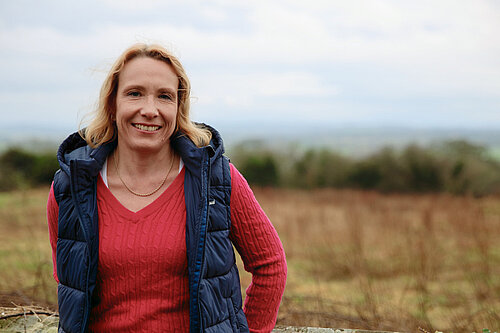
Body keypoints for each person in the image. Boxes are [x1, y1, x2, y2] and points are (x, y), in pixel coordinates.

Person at [46, 43, 287, 333]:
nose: (150, 110)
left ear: (178, 108)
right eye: (134, 93)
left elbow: (270, 265)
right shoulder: (73, 186)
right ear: (112, 103)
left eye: (165, 96)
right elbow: (68, 280)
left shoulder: (217, 180)